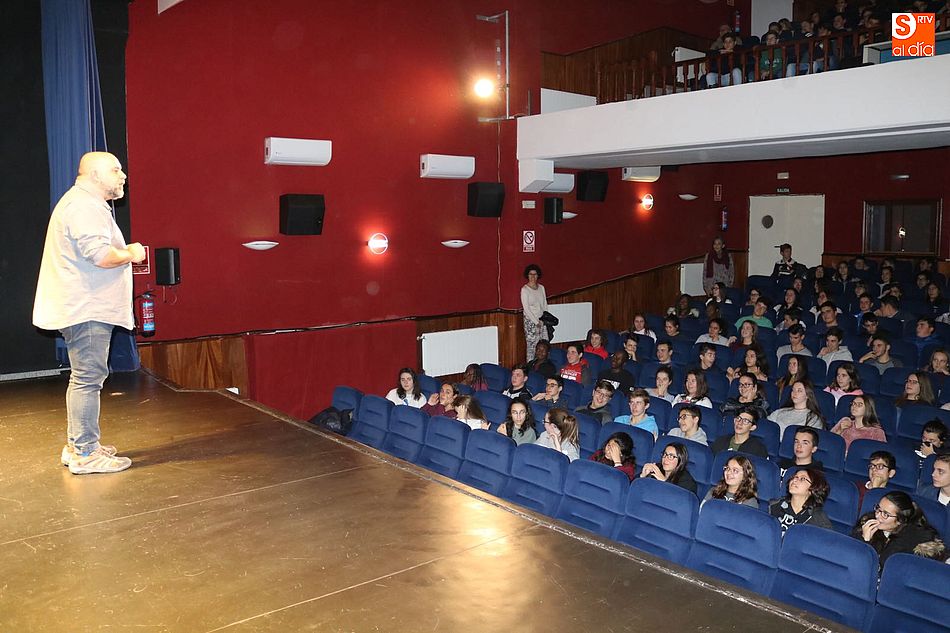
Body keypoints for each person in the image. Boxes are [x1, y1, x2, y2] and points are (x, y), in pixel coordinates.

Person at [33, 152, 144, 475]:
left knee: (86, 377)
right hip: (87, 308)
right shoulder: (83, 206)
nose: (123, 175)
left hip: (85, 306)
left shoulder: (84, 204)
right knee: (88, 378)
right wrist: (131, 253)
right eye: (115, 169)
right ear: (94, 174)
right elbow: (100, 256)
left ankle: (81, 445)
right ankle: (84, 453)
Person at [851, 491, 945, 573]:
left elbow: (881, 571)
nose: (877, 516)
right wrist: (863, 539)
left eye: (885, 514)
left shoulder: (913, 541)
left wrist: (866, 545)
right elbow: (849, 558)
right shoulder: (866, 524)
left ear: (900, 520)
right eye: (878, 509)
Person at [769, 468, 833, 534]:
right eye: (795, 477)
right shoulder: (774, 505)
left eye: (802, 479)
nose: (794, 480)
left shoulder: (819, 521)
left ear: (813, 488)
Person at [521, 264, 548, 361]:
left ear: (538, 275)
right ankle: (530, 365)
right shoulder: (524, 290)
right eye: (530, 274)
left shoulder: (541, 288)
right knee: (532, 347)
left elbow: (544, 304)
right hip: (531, 322)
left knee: (544, 344)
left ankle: (542, 365)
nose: (533, 277)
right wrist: (536, 322)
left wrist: (545, 318)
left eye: (535, 274)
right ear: (527, 276)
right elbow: (526, 309)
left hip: (542, 320)